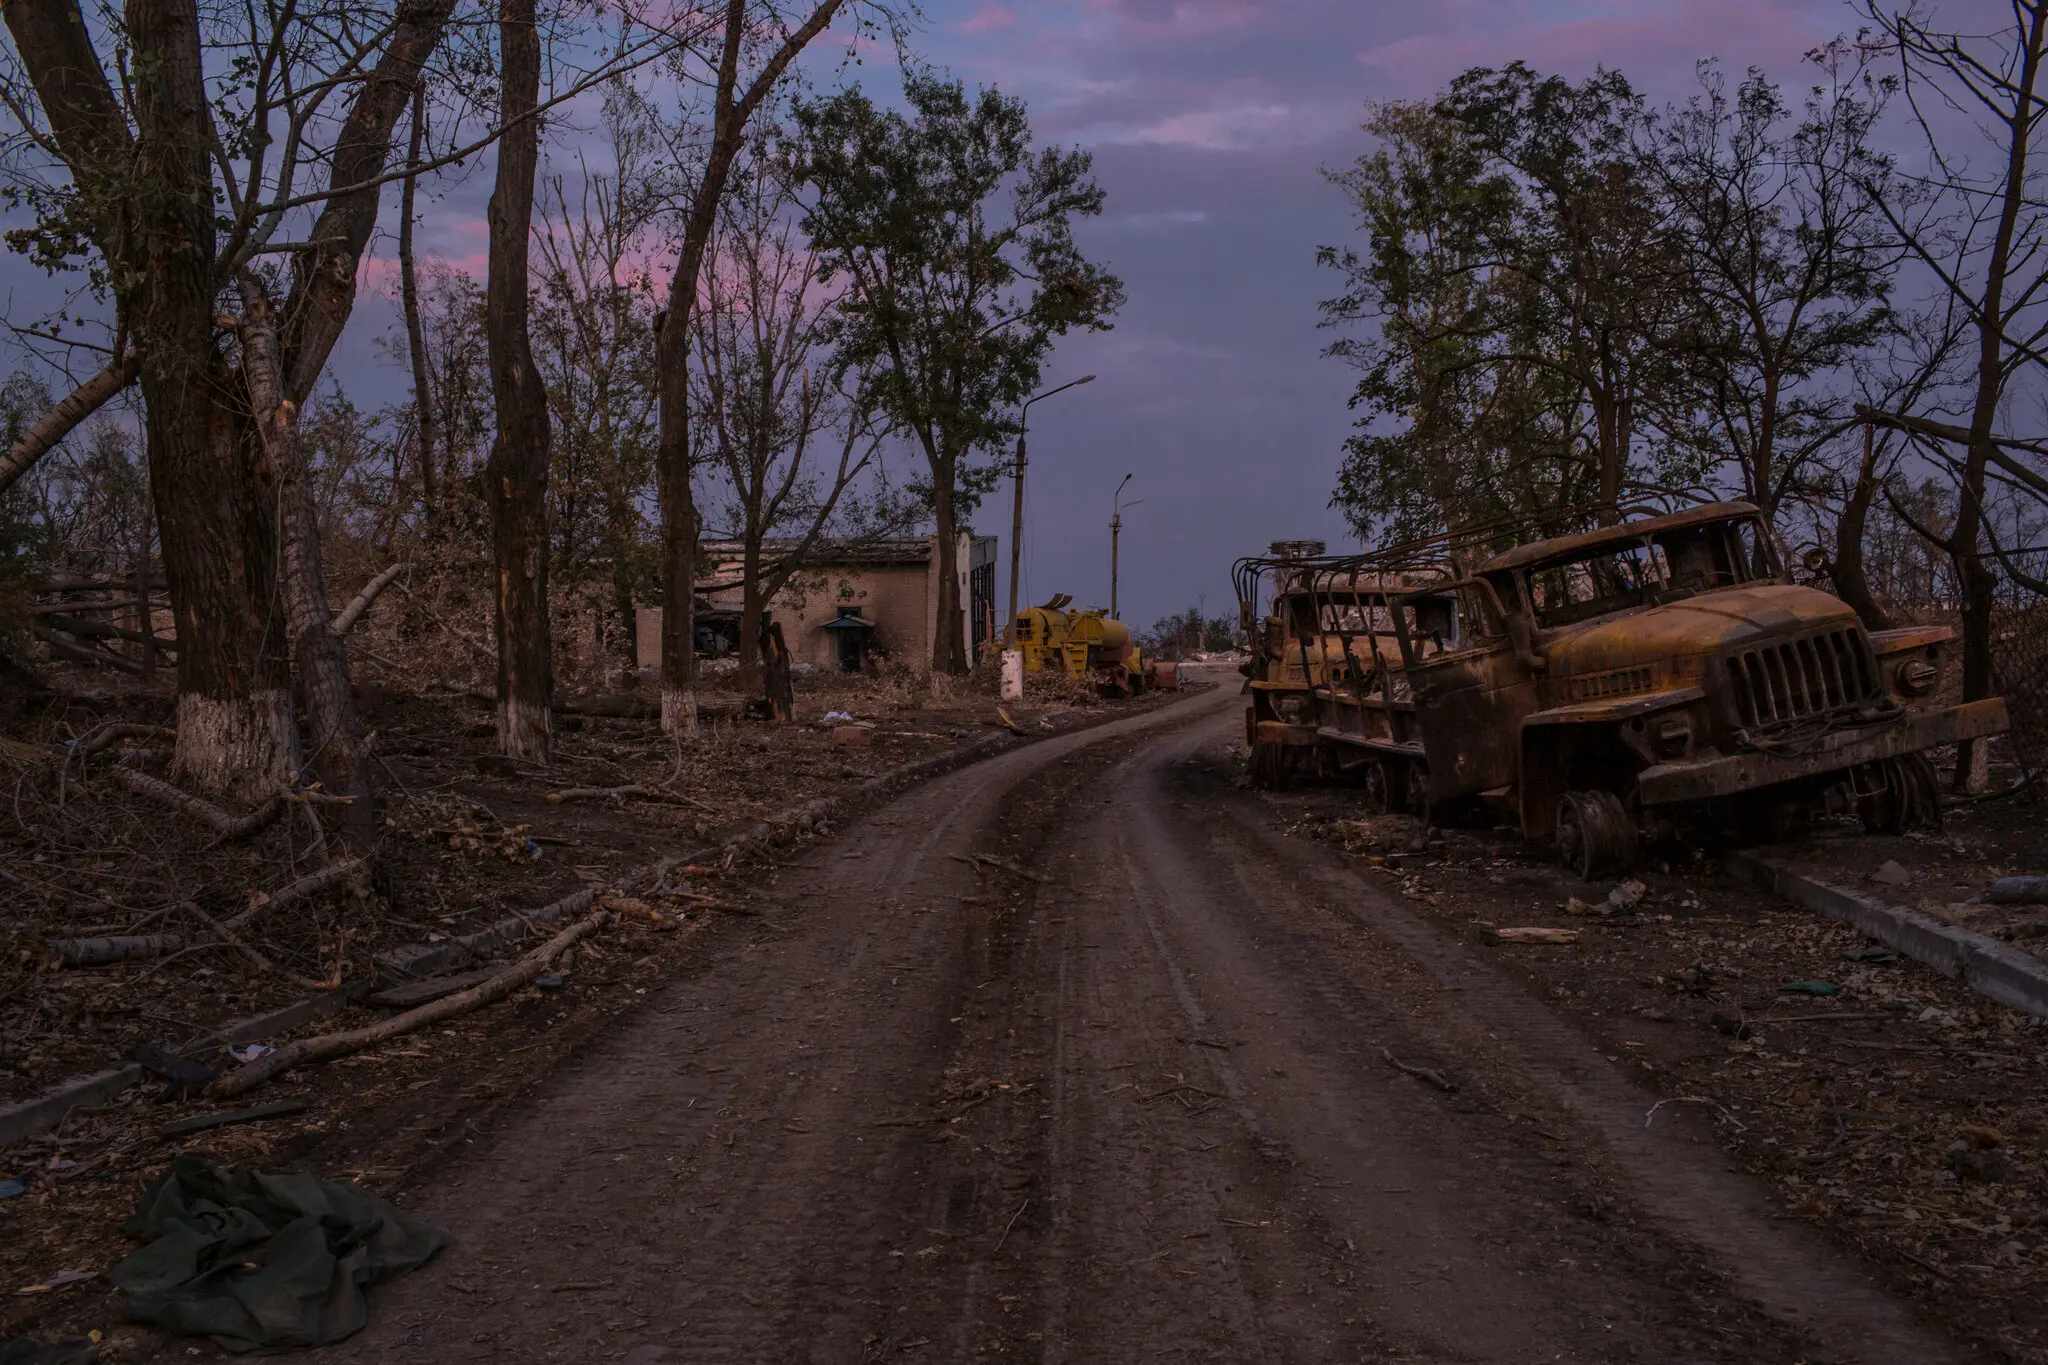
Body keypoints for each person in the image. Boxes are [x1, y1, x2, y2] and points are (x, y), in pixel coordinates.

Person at [760, 614, 794, 723]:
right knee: (776, 697)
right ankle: (779, 716)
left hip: (778, 677)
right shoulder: (769, 641)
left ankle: (783, 716)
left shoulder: (778, 646)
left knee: (779, 697)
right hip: (776, 676)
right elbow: (773, 660)